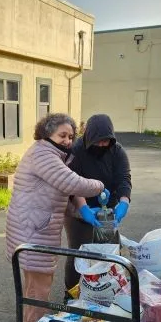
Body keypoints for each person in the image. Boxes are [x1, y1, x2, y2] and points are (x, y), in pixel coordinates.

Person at [5, 113, 105, 322]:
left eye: (70, 136)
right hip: (34, 230)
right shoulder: (43, 154)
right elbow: (71, 183)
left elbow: (53, 196)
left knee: (32, 285)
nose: (68, 141)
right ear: (46, 133)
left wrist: (81, 212)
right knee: (40, 287)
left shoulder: (51, 154)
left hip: (30, 227)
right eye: (62, 135)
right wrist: (100, 186)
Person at [63, 114, 132, 293]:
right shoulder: (77, 150)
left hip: (107, 208)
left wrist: (124, 202)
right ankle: (72, 292)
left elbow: (124, 178)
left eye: (106, 141)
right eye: (98, 142)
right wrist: (84, 209)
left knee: (108, 250)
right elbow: (72, 183)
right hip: (79, 209)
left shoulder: (117, 151)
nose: (102, 145)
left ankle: (104, 290)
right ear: (89, 138)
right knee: (79, 251)